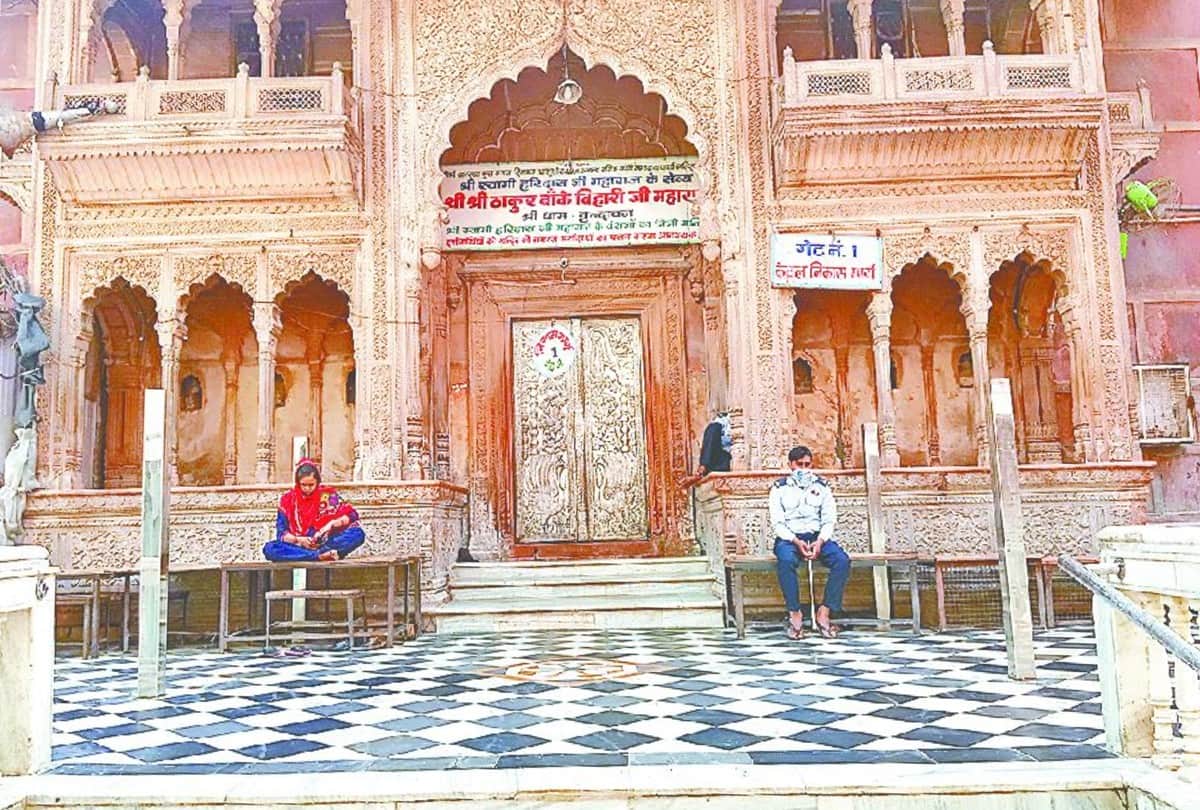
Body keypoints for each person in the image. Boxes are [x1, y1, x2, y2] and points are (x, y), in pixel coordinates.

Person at [768, 445, 851, 640]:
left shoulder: (821, 487)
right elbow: (778, 523)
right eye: (799, 465)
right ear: (790, 465)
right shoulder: (779, 488)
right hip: (790, 538)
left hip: (816, 537)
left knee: (842, 561)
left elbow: (829, 519)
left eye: (807, 464)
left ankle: (825, 611)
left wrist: (820, 541)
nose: (804, 469)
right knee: (786, 561)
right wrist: (796, 541)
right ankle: (794, 613)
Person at [262, 458, 365, 562]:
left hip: (325, 543)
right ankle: (318, 556)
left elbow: (352, 515)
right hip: (299, 546)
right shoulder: (287, 500)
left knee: (357, 534)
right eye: (303, 485)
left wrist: (330, 525)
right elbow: (281, 534)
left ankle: (320, 553)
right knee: (270, 548)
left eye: (311, 485)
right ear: (298, 483)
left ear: (317, 482)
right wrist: (299, 540)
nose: (307, 489)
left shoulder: (327, 495)